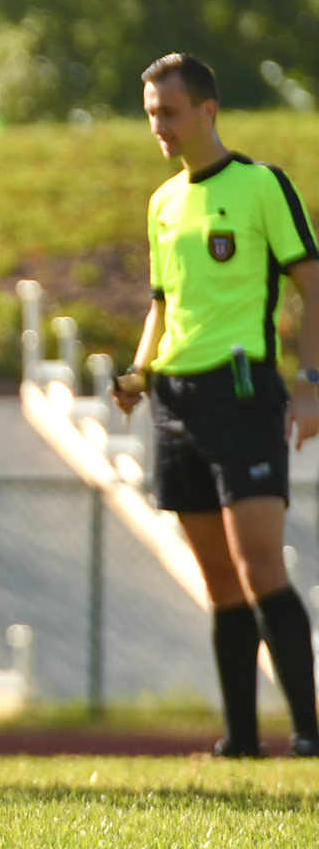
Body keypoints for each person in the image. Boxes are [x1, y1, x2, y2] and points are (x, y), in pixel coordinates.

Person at [111, 52, 319, 758]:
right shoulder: (162, 202)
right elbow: (161, 306)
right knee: (221, 582)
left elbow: (312, 286)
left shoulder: (262, 185)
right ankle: (241, 741)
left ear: (208, 110)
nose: (159, 127)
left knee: (261, 566)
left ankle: (309, 733)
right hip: (175, 403)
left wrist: (310, 382)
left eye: (169, 112)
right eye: (151, 115)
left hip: (243, 394)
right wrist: (138, 374)